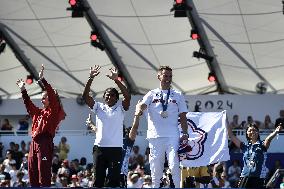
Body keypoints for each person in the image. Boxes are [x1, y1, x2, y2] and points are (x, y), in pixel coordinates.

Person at [136, 65, 188, 187]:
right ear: (159, 76)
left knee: (174, 165)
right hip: (155, 136)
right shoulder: (151, 94)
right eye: (165, 76)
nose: (168, 78)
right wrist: (139, 110)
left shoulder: (178, 95)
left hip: (172, 136)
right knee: (156, 168)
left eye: (170, 76)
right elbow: (142, 105)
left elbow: (183, 116)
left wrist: (185, 133)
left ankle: (176, 186)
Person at [16, 64, 66, 187]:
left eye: (44, 98)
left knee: (43, 172)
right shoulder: (38, 112)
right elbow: (28, 104)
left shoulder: (54, 111)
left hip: (45, 142)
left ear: (51, 99)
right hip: (34, 143)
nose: (42, 100)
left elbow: (52, 96)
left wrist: (42, 79)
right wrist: (23, 89)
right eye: (42, 98)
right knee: (32, 171)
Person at [82, 65, 131, 187]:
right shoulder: (98, 107)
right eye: (107, 95)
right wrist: (91, 78)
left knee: (114, 182)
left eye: (112, 95)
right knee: (98, 181)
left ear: (116, 98)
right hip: (99, 149)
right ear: (103, 97)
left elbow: (128, 97)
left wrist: (116, 80)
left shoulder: (121, 108)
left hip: (115, 149)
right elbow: (85, 97)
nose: (109, 97)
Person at [228, 122, 283, 188]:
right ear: (247, 133)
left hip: (258, 178)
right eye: (250, 130)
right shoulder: (244, 146)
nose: (252, 132)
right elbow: (231, 135)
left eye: (254, 130)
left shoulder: (262, 145)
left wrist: (276, 132)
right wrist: (226, 121)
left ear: (258, 132)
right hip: (244, 177)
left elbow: (268, 139)